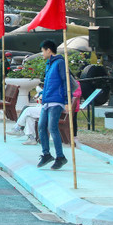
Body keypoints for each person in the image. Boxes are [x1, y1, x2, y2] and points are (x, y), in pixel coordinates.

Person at [38, 40, 69, 170]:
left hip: (56, 101)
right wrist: (41, 95)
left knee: (52, 128)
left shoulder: (60, 63)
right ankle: (46, 154)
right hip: (47, 100)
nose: (42, 54)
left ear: (48, 50)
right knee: (41, 126)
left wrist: (66, 101)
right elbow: (48, 83)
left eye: (42, 51)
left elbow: (65, 81)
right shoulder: (49, 64)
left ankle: (60, 157)